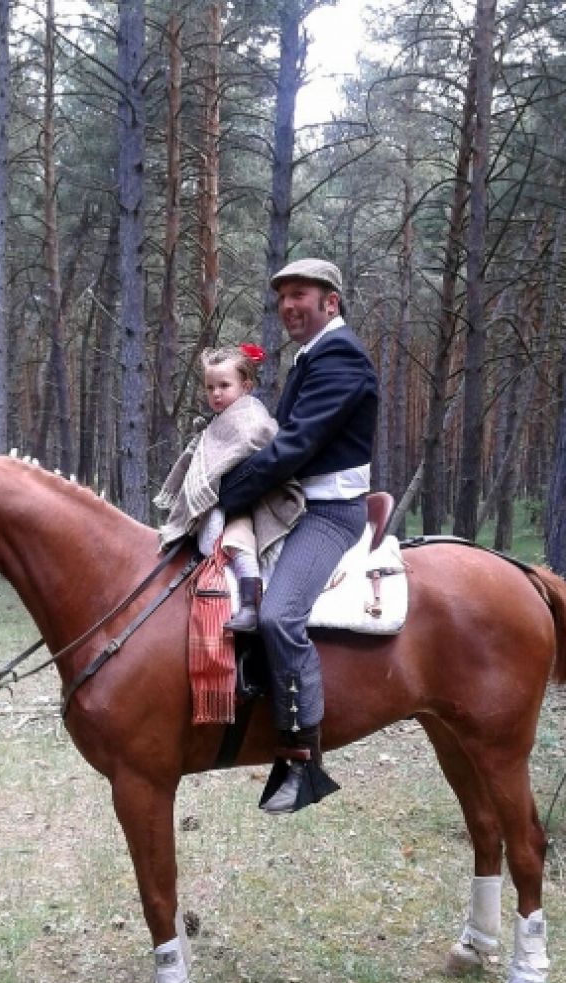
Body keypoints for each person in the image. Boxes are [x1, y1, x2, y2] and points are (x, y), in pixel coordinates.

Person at [217, 259, 378, 814]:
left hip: (327, 513)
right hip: (292, 505)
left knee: (278, 616)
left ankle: (303, 760)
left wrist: (230, 491)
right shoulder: (311, 356)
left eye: (300, 294)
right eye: (282, 296)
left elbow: (296, 445)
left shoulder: (340, 357)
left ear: (330, 302)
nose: (288, 305)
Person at [155, 344, 304, 632]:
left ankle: (250, 603)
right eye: (210, 387)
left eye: (224, 386)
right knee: (209, 535)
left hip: (255, 503)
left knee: (236, 541)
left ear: (245, 386)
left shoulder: (250, 417)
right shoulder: (217, 423)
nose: (216, 394)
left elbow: (256, 443)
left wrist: (223, 487)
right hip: (228, 500)